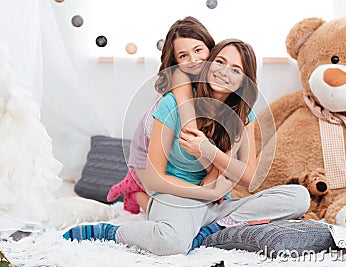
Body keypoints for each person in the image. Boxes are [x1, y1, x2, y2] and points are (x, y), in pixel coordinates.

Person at [64, 39, 310, 256]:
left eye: (235, 69)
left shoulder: (243, 116)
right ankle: (111, 232)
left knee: (299, 197)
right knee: (172, 244)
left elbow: (250, 178)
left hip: (217, 207)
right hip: (177, 197)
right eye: (220, 62)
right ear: (208, 63)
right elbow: (155, 180)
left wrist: (208, 151)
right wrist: (207, 193)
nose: (224, 72)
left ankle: (213, 228)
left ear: (244, 82)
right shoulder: (173, 103)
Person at [106, 16, 216, 214]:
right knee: (166, 207)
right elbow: (190, 130)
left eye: (198, 50)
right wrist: (212, 175)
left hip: (175, 146)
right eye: (183, 55)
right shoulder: (181, 79)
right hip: (147, 146)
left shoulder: (214, 79)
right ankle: (135, 193)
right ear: (174, 61)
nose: (193, 60)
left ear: (210, 47)